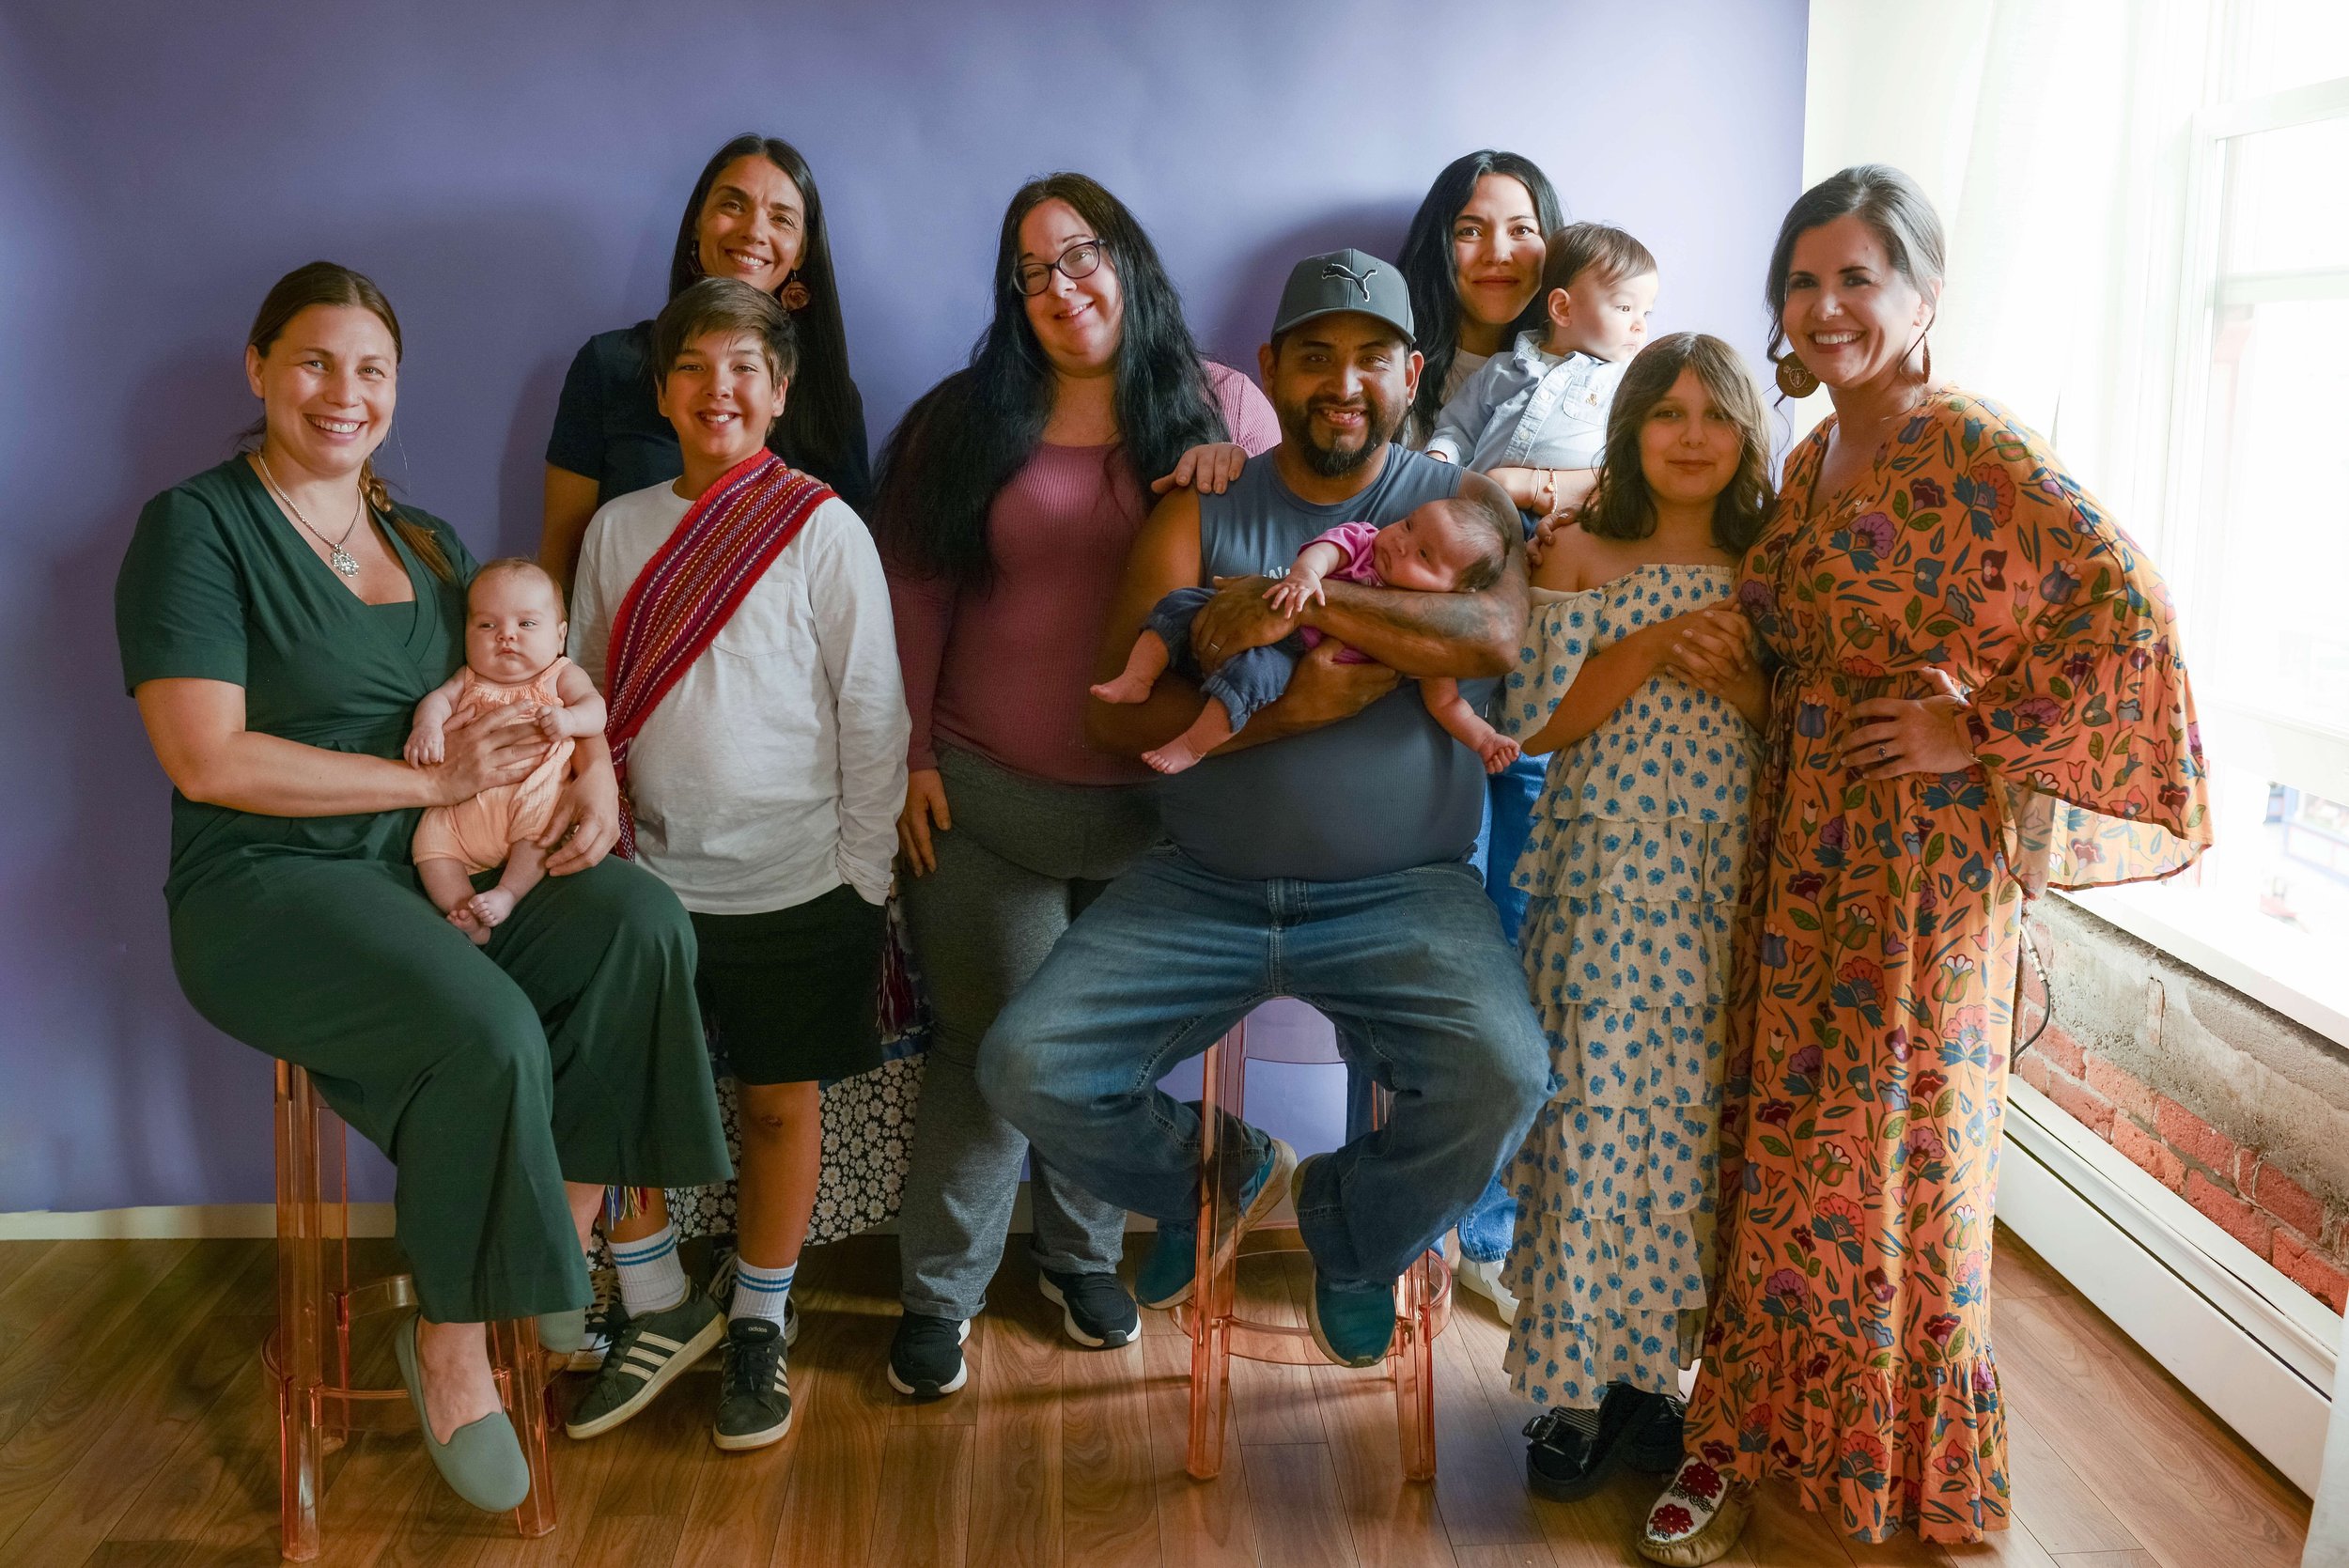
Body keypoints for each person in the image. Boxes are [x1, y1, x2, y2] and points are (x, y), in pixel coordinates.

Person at [1636, 166, 2211, 1564]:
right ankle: (1746, 1437)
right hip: (1797, 847)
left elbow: (2128, 608)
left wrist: (1983, 729)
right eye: (1804, 281)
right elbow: (1807, 633)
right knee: (1781, 1153)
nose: (1827, 308)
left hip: (1919, 870)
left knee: (1893, 1156)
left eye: (1858, 279)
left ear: (1924, 294)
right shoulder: (1807, 456)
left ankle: (1902, 1472)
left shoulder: (1972, 447)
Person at [114, 261, 728, 1513]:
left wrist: (596, 786)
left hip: (424, 879)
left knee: (639, 922)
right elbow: (205, 756)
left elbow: (534, 694)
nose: (346, 392)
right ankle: (454, 1345)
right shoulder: (198, 528)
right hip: (267, 888)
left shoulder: (431, 543)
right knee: (486, 1024)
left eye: (373, 369)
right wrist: (433, 798)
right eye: (316, 361)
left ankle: (550, 1242)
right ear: (260, 369)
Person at [977, 247, 1549, 1371]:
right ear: (1274, 368)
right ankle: (1222, 1171)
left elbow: (1489, 636)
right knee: (1023, 1062)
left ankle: (1348, 1230)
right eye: (1318, 356)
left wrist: (1295, 602)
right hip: (1206, 880)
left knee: (1504, 1073)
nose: (1344, 382)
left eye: (1372, 359)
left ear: (1411, 372)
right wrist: (1298, 708)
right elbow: (1112, 722)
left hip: (1405, 890)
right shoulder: (1205, 505)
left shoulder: (1461, 503)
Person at [875, 172, 1278, 1398]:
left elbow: (1300, 577)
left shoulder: (1223, 404)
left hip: (1160, 820)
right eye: (1033, 270)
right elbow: (911, 596)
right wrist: (908, 757)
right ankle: (939, 1294)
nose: (1064, 285)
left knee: (1106, 1056)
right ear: (1014, 296)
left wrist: (1241, 489)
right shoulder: (964, 421)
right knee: (996, 1052)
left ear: (1129, 258)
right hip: (988, 803)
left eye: (1082, 253)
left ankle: (1082, 1256)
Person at [563, 279, 907, 1452]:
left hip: (798, 876)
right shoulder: (618, 528)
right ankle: (656, 1304)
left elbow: (871, 710)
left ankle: (759, 1312)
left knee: (776, 1104)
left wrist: (864, 875)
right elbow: (587, 703)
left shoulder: (821, 526)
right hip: (644, 879)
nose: (721, 390)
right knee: (624, 1102)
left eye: (746, 368)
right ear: (661, 391)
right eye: (695, 368)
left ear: (781, 391)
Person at [1490, 334, 1770, 1502]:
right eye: (1667, 412)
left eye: (1715, 413)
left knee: (1689, 1131)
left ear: (1747, 434)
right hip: (1602, 885)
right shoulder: (1577, 553)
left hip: (1717, 888)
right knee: (1592, 1118)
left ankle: (1654, 1378)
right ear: (1632, 429)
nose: (1691, 434)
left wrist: (1742, 682)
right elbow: (1537, 720)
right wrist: (1649, 642)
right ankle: (1571, 1383)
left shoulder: (1771, 570)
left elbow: (1789, 722)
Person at [1396, 151, 1569, 1317]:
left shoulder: (1585, 378)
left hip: (1541, 714)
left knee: (1514, 957)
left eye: (1519, 229)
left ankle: (1491, 1230)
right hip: (1415, 716)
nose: (1497, 252)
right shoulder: (1397, 379)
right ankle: (1408, 1220)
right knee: (1415, 967)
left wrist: (1523, 478)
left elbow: (1633, 491)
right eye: (1470, 229)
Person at [542, 133, 869, 592]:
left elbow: (847, 582)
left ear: (803, 251)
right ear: (697, 223)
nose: (754, 231)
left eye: (781, 218)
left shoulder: (830, 395)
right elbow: (561, 565)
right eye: (732, 205)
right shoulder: (610, 365)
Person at [1093, 495, 1517, 775]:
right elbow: (1328, 549)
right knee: (1180, 603)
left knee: (1248, 678)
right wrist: (1306, 576)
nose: (1402, 544)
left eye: (1424, 555)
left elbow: (1447, 703)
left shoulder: (1425, 631)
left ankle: (1193, 745)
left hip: (1289, 657)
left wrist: (1484, 739)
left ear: (1455, 593)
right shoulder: (1368, 541)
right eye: (1408, 525)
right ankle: (1137, 677)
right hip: (1281, 609)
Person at [406, 559, 606, 941]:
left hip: (529, 797)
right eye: (487, 625)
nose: (506, 636)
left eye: (526, 624)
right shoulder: (467, 679)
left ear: (560, 635)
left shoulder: (560, 675)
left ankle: (507, 894)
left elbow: (595, 710)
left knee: (541, 831)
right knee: (430, 846)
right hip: (460, 808)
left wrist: (570, 720)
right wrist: (427, 726)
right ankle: (465, 910)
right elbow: (437, 701)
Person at [1426, 222, 1659, 520]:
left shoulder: (1627, 382)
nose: (1640, 325)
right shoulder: (1501, 369)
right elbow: (1459, 428)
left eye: (1646, 312)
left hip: (1564, 517)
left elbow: (1633, 461)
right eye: (1625, 308)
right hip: (1477, 513)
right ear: (1562, 308)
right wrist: (1439, 457)